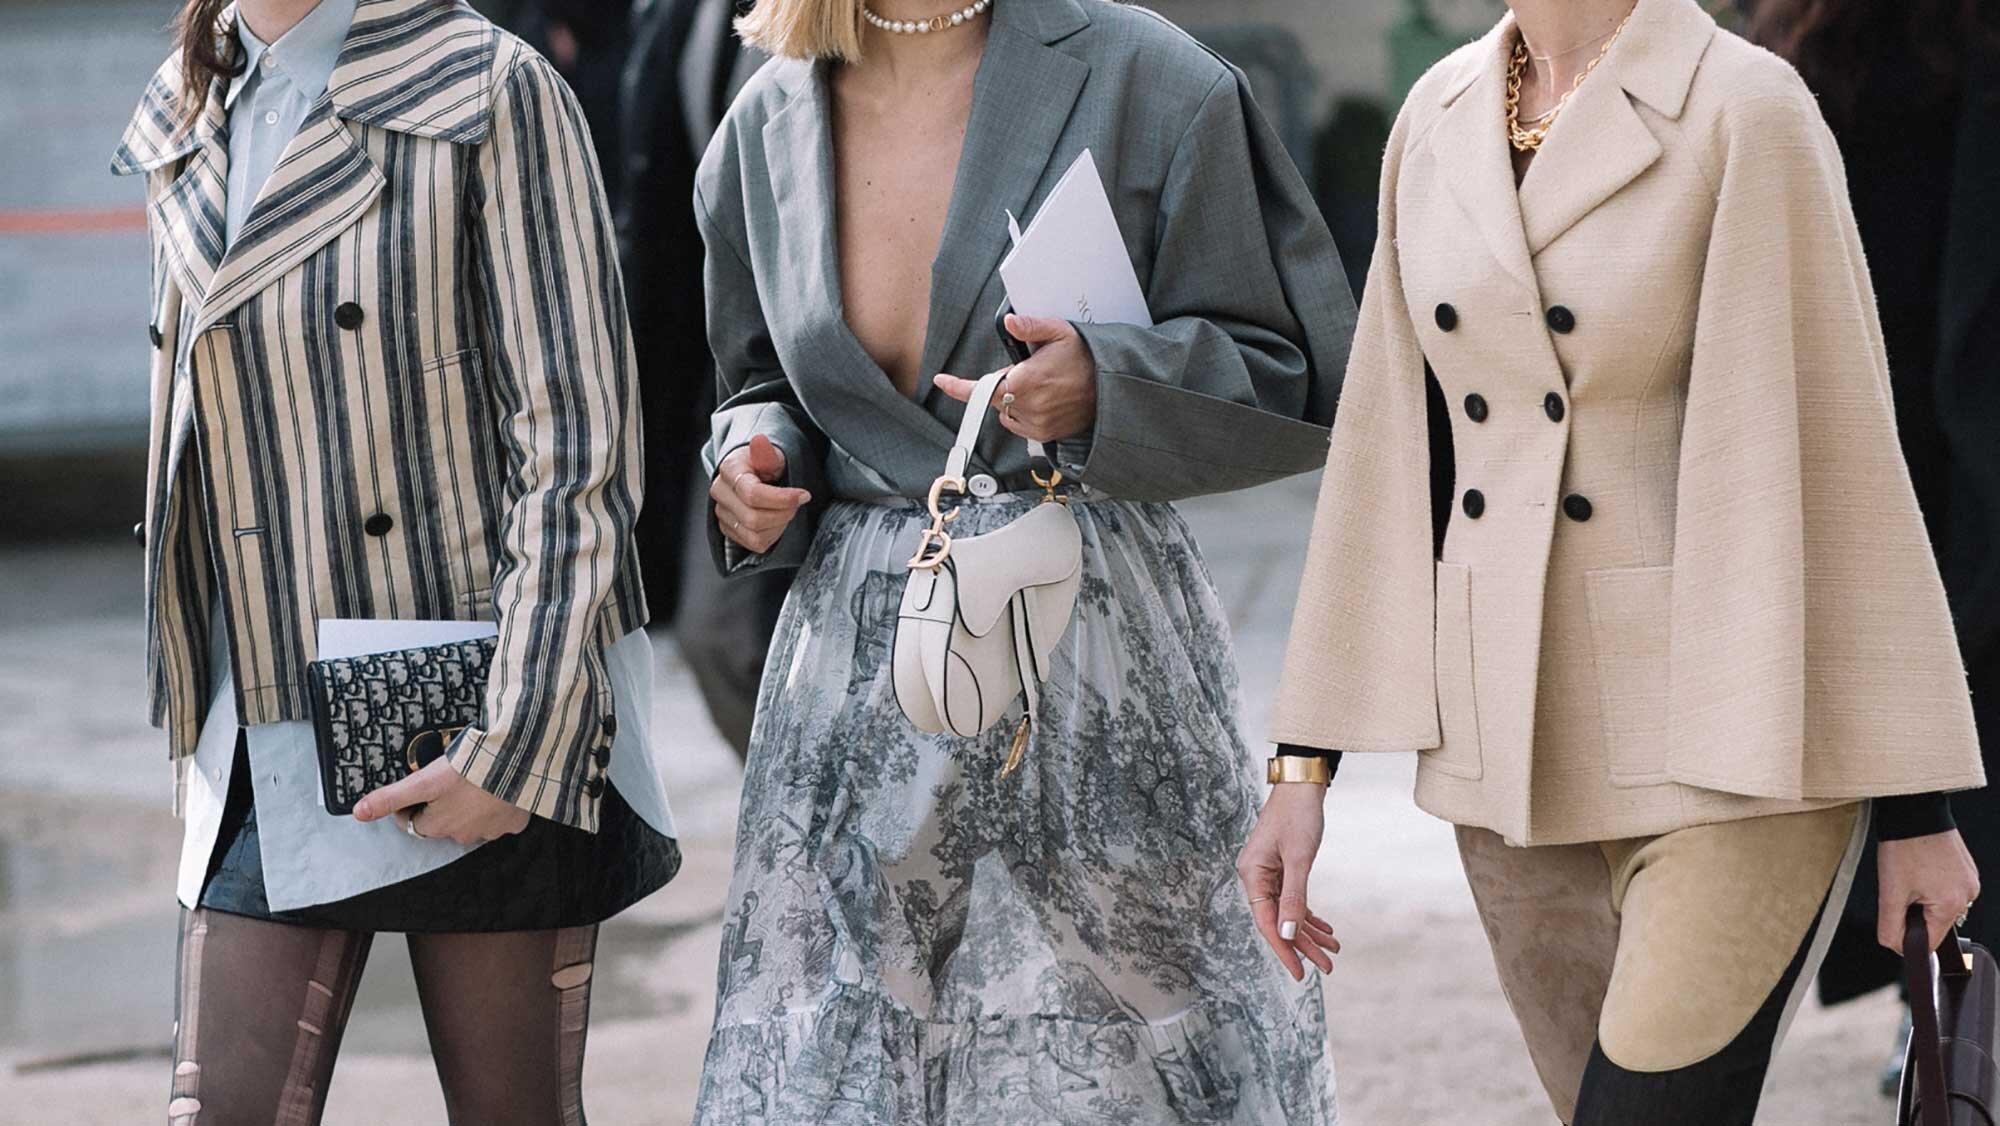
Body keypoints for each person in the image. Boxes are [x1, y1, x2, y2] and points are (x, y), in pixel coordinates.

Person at [1250, 0, 1986, 1122]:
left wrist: (1914, 811)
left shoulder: (1744, 107)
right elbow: (1393, 455)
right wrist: (1302, 770)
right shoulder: (1436, 113)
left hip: (1731, 741)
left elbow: (1839, 465)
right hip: (1506, 754)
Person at [687, 0, 1355, 1119]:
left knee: (1123, 1048)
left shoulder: (1151, 76)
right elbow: (757, 378)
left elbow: (1291, 365)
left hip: (1088, 630)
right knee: (843, 1056)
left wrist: (1111, 380)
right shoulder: (766, 115)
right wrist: (753, 463)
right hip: (860, 664)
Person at [113, 0, 677, 1121]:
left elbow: (577, 452)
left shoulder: (488, 88)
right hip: (269, 710)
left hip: (482, 701)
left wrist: (510, 745)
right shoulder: (190, 101)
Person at [1745, 0, 2000, 1083]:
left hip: (1875, 417)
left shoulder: (1783, 51)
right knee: (1953, 712)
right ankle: (1944, 1001)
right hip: (1913, 417)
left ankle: (1935, 1000)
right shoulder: (1793, 58)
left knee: (1925, 710)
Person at [616, 0, 787, 754]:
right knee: (720, 642)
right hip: (712, 377)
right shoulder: (677, 14)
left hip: (829, 380)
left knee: (734, 641)